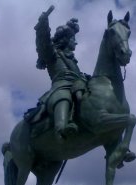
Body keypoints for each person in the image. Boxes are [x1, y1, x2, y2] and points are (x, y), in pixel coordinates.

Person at [33, 5, 89, 139]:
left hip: (78, 84)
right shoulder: (51, 54)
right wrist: (43, 25)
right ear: (66, 40)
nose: (76, 43)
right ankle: (61, 129)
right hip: (61, 86)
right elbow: (43, 42)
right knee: (64, 97)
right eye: (73, 40)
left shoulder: (71, 59)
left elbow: (79, 75)